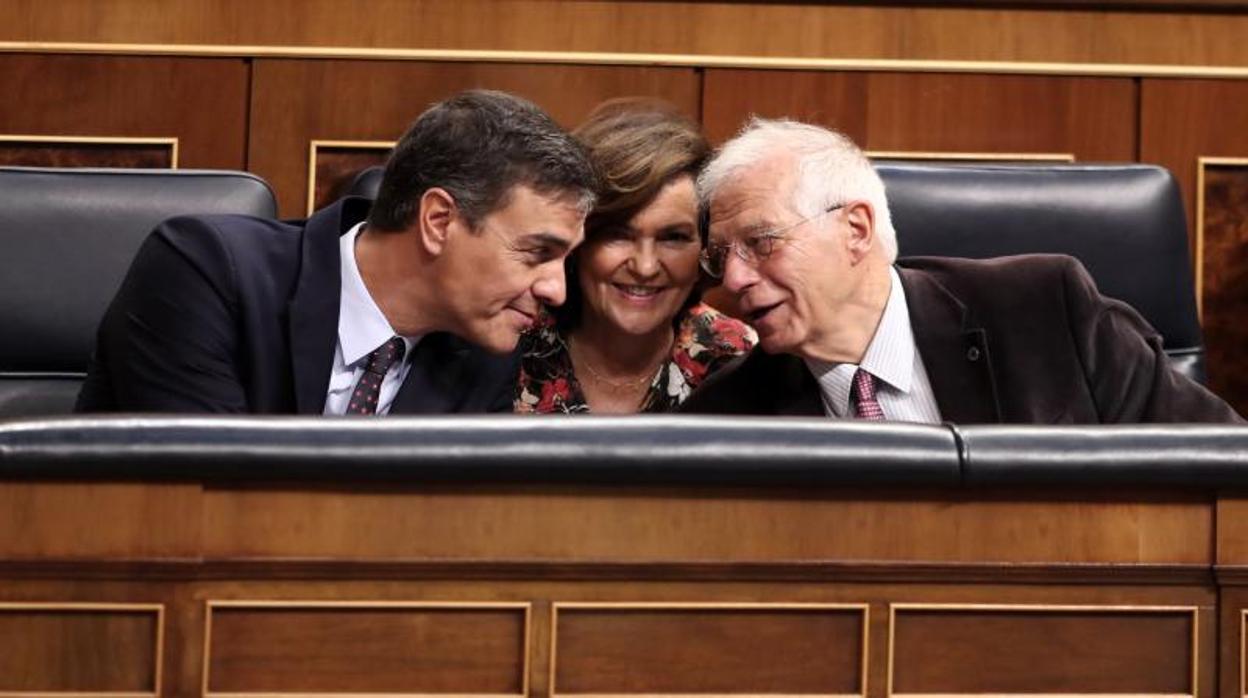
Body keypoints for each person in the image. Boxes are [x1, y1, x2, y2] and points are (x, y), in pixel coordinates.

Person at [681, 117, 1243, 423]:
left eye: (760, 242)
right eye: (721, 256)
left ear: (855, 230)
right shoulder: (733, 411)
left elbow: (1218, 465)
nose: (733, 281)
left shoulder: (1046, 311)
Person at [76, 89, 597, 415]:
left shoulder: (485, 355)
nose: (556, 289)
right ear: (439, 222)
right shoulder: (206, 273)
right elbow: (207, 503)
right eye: (536, 253)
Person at [514, 100, 756, 414]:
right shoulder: (511, 341)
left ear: (705, 251)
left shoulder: (736, 359)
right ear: (577, 242)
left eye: (673, 238)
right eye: (617, 234)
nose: (644, 267)